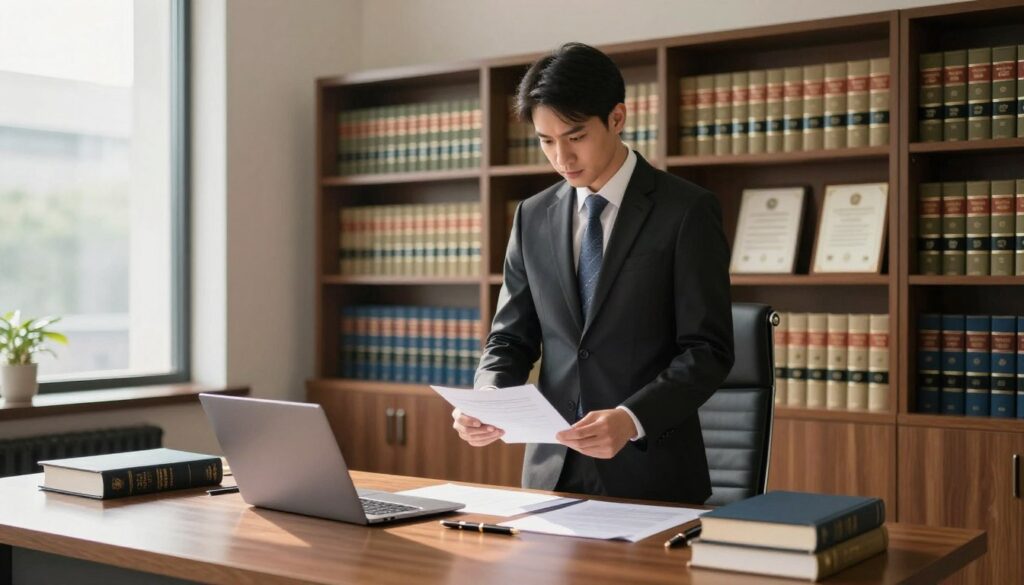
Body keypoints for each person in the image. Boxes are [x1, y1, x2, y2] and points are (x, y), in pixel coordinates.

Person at [451, 42, 734, 504]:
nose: (561, 157)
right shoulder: (532, 215)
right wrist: (488, 398)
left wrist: (631, 418)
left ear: (617, 118)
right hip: (550, 476)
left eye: (576, 136)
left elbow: (708, 351)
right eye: (546, 141)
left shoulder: (686, 212)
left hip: (652, 477)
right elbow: (510, 338)